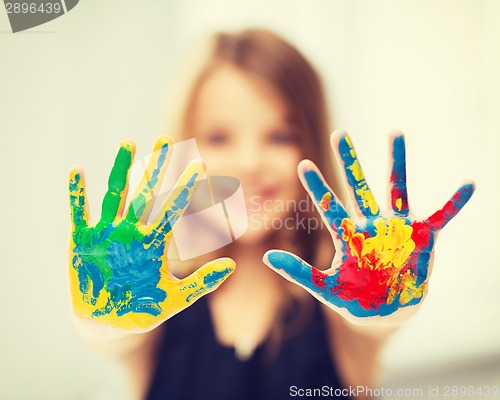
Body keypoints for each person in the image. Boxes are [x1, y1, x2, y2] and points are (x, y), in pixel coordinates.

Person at [68, 29, 474, 400]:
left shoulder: (340, 292)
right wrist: (101, 315)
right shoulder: (149, 291)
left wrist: (389, 300)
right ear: (184, 147)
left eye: (280, 136)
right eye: (219, 136)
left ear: (310, 146)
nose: (249, 162)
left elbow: (375, 324)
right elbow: (111, 336)